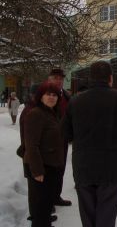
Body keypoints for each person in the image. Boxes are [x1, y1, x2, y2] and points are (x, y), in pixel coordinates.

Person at [62, 61, 117, 227]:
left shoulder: (75, 101)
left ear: (90, 79)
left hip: (83, 168)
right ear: (110, 78)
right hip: (113, 169)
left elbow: (64, 133)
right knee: (106, 217)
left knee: (88, 218)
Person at [23, 82, 64, 227]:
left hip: (50, 166)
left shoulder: (51, 113)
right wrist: (38, 171)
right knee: (41, 209)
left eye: (54, 95)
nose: (51, 98)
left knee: (46, 207)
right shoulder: (36, 114)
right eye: (48, 94)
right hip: (41, 169)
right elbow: (31, 145)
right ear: (41, 97)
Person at [48, 67, 72, 206]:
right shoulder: (44, 95)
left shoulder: (67, 96)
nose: (58, 81)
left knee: (60, 170)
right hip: (48, 141)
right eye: (55, 78)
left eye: (60, 78)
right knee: (49, 171)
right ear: (49, 79)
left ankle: (56, 196)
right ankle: (48, 202)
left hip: (62, 140)